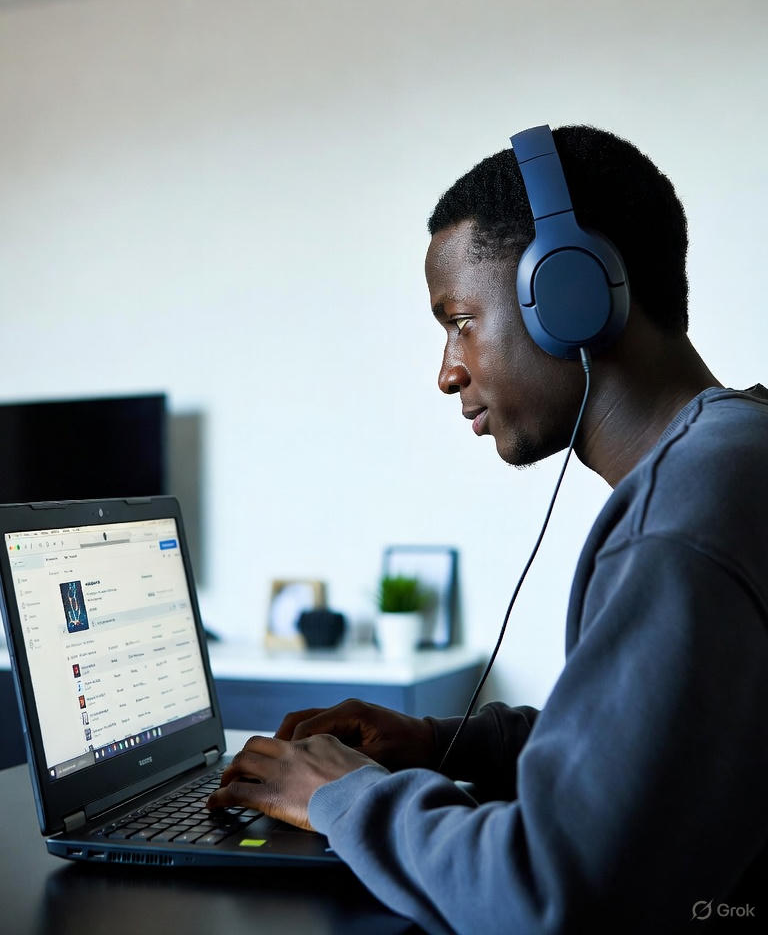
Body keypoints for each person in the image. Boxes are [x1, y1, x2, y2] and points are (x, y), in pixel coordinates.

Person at [207, 125, 768, 933]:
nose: (447, 372)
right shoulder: (740, 454)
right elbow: (670, 757)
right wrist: (442, 743)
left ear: (571, 296)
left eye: (460, 319)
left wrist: (339, 793)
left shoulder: (679, 524)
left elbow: (550, 894)